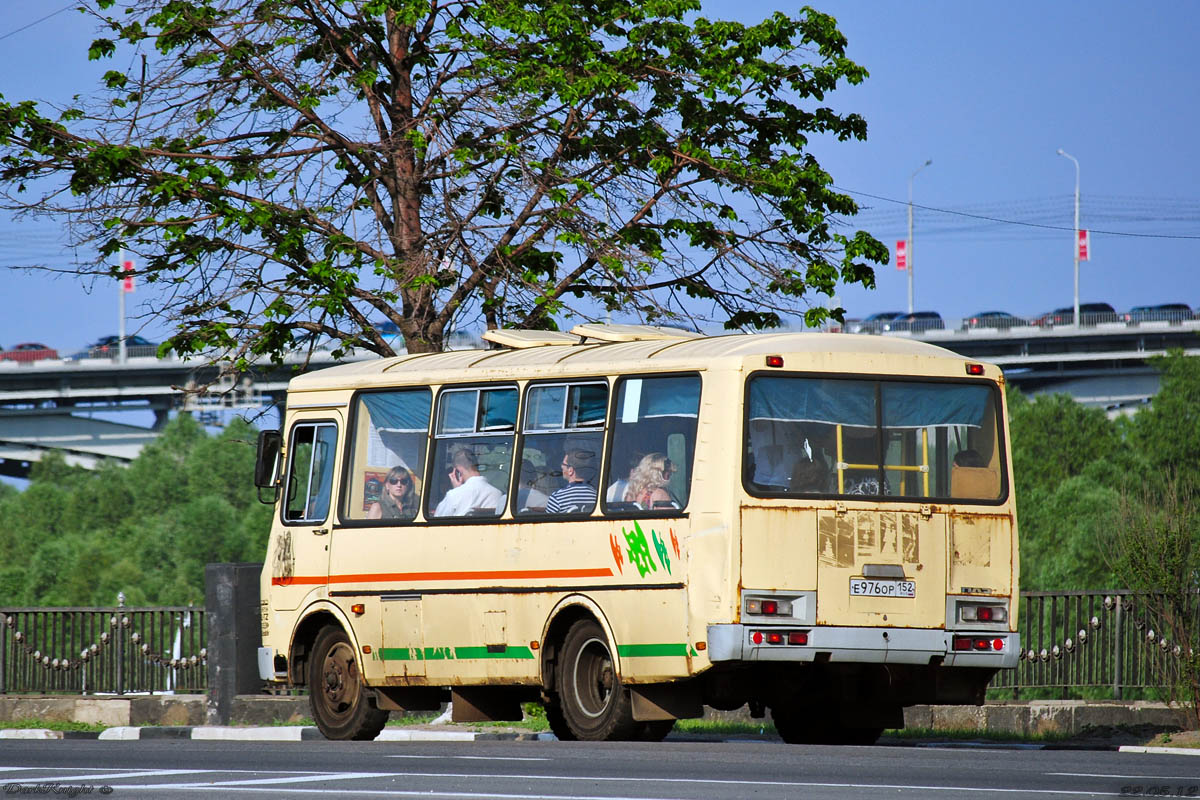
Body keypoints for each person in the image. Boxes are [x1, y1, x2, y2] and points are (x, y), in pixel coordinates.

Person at [434, 447, 504, 517]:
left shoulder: (453, 495)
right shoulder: (498, 494)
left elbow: (436, 520)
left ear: (457, 471)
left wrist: (457, 490)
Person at [545, 449, 598, 514]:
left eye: (563, 464)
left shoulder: (557, 498)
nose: (561, 466)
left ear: (570, 470)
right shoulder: (596, 496)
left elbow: (549, 523)